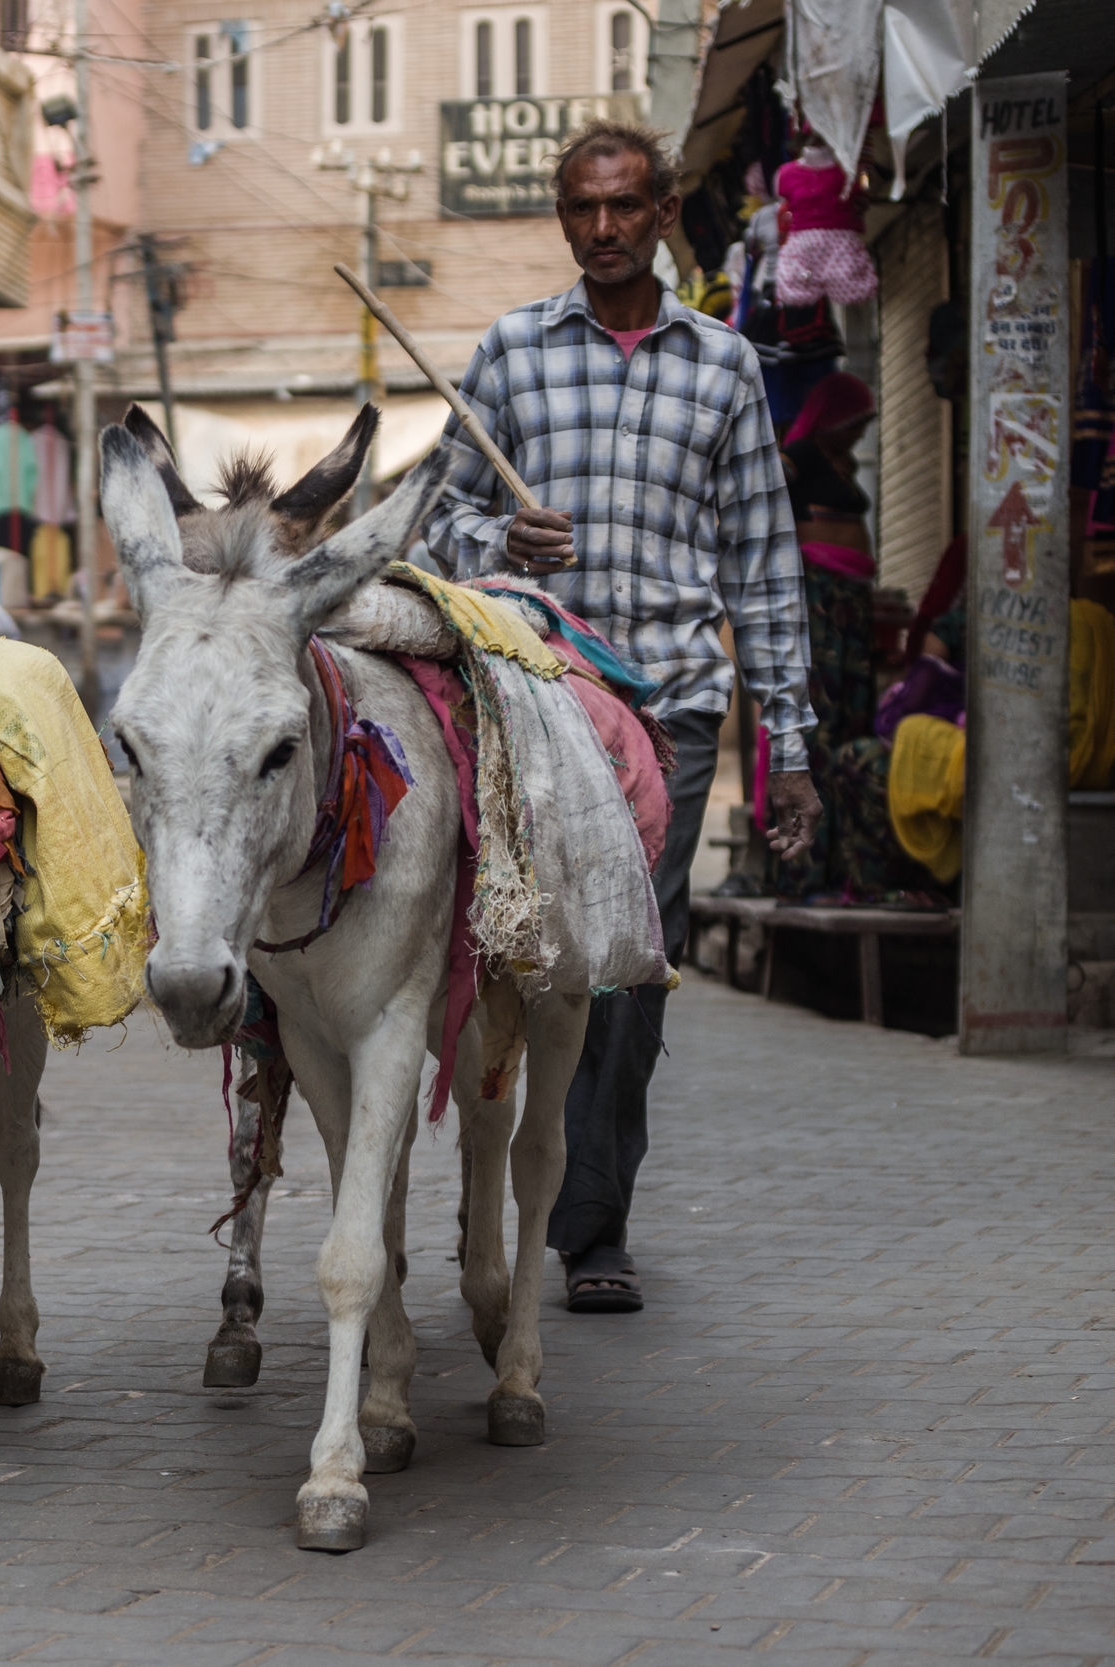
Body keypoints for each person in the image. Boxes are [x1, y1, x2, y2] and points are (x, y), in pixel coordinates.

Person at [423, 118, 822, 1316]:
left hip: (671, 706)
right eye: (581, 209)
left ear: (663, 215)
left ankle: (591, 1219)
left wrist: (789, 750)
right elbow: (433, 520)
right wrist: (497, 538)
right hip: (534, 691)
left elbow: (764, 564)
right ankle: (521, 1188)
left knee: (632, 969)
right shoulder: (508, 351)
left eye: (624, 207)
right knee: (531, 953)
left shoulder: (724, 366)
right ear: (563, 217)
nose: (602, 228)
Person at [771, 372, 880, 899]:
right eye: (852, 422)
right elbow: (765, 507)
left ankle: (844, 863)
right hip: (817, 602)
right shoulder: (799, 457)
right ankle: (801, 869)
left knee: (853, 721)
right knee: (817, 718)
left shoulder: (847, 464)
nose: (857, 432)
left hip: (851, 607)